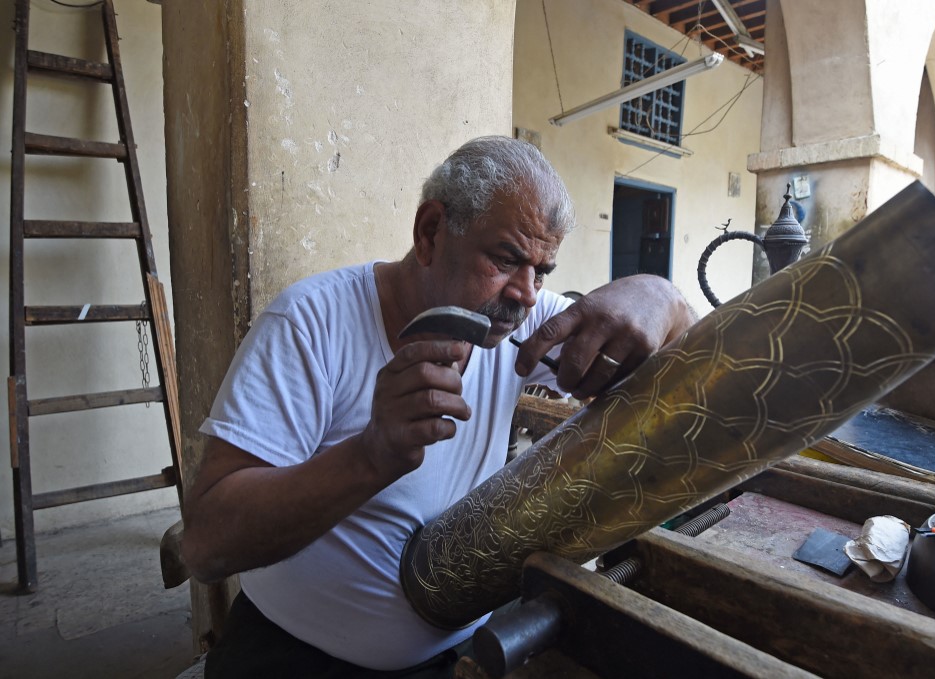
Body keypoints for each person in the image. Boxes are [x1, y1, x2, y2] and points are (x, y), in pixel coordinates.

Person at [182, 136, 698, 677]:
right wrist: (369, 456)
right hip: (289, 658)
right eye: (505, 259)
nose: (526, 293)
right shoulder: (311, 323)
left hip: (457, 653)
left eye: (542, 270)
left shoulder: (520, 322)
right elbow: (205, 546)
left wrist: (662, 298)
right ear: (430, 232)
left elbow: (695, 362)